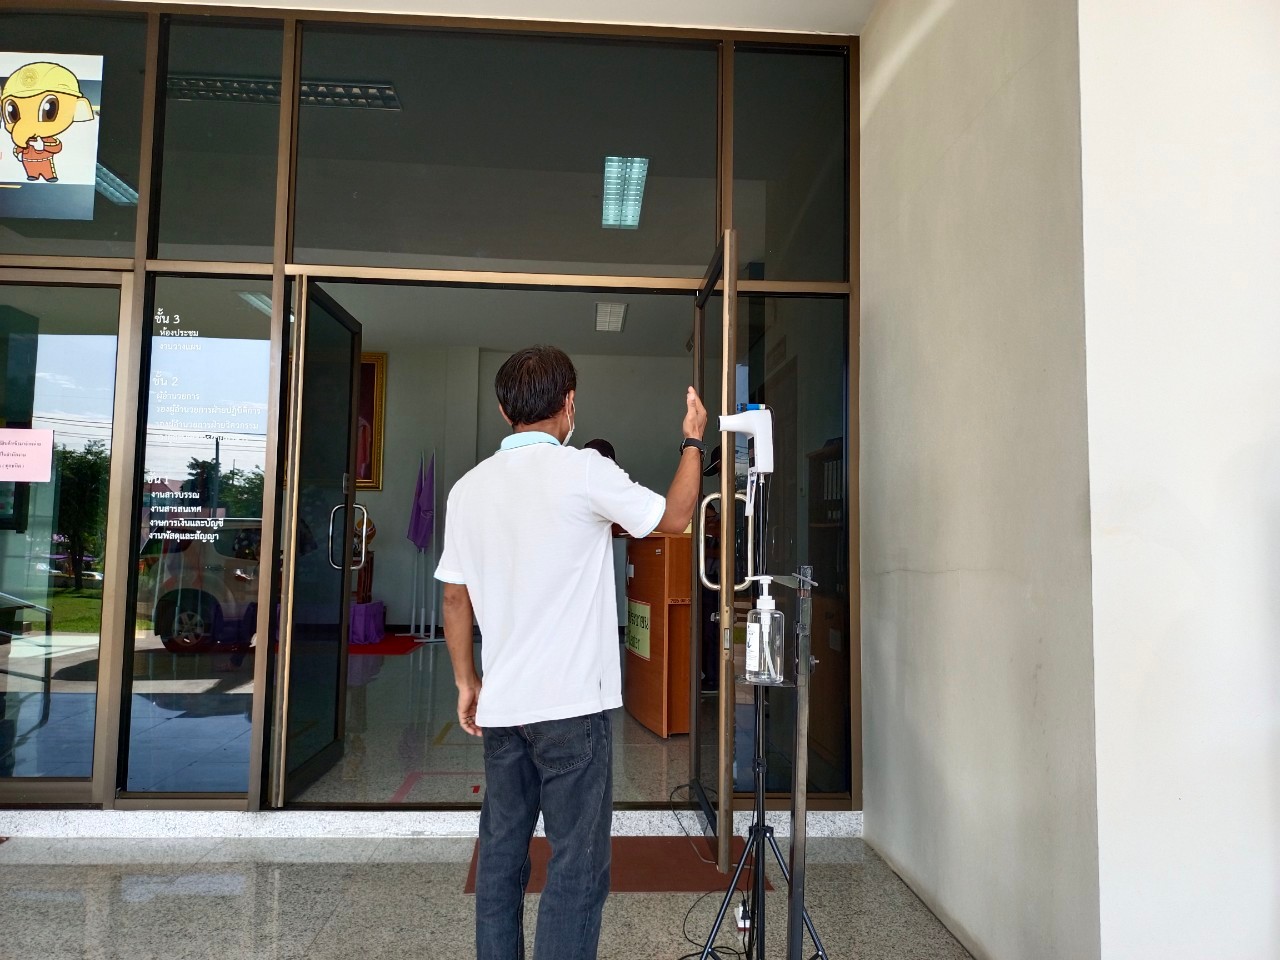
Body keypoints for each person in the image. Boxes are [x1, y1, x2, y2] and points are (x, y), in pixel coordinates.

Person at [435, 345, 707, 960]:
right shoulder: (585, 470)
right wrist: (692, 441)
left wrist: (467, 682)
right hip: (572, 709)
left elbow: (454, 597)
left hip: (504, 710)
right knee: (576, 868)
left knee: (500, 859)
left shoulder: (467, 489)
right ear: (569, 403)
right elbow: (674, 518)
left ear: (504, 410)